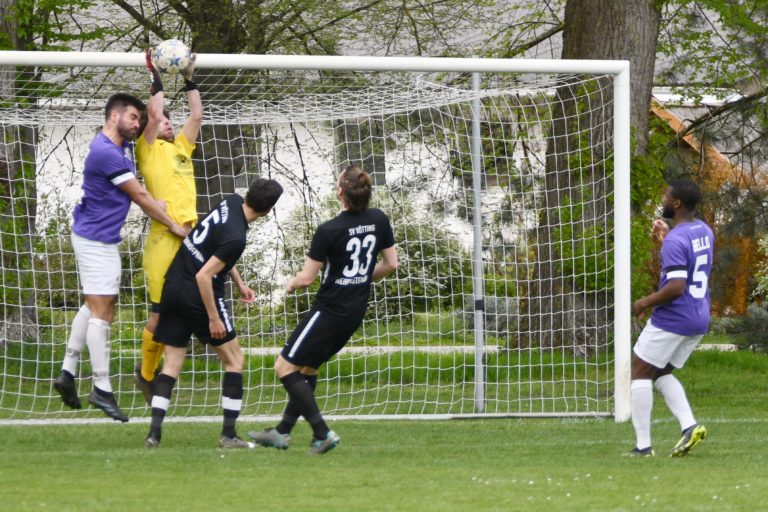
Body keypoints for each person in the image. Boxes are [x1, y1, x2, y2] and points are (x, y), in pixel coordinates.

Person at [53, 93, 190, 422]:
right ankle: (102, 389)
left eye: (138, 119)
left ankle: (67, 374)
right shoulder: (105, 153)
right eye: (131, 117)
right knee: (104, 312)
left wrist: (156, 80)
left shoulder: (124, 144)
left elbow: (155, 116)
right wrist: (171, 223)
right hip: (95, 240)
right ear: (114, 117)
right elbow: (139, 196)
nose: (137, 124)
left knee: (92, 306)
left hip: (99, 238)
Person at [248, 165, 398, 454]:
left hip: (330, 309)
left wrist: (290, 284)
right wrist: (362, 277)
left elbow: (306, 279)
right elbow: (391, 264)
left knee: (284, 367)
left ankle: (322, 433)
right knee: (308, 368)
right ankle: (282, 432)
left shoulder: (329, 230)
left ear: (340, 191)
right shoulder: (379, 219)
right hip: (354, 310)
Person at [144, 177, 283, 449]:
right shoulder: (237, 237)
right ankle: (229, 435)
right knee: (234, 361)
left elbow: (215, 252)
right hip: (198, 294)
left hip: (172, 287)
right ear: (268, 211)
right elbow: (205, 275)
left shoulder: (230, 201)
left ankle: (154, 435)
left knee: (172, 365)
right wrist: (213, 318)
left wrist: (239, 283)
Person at [132, 47, 205, 404]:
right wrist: (156, 74)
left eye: (170, 123)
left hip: (189, 238)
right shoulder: (146, 151)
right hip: (164, 238)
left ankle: (161, 372)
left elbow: (197, 114)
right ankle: (146, 374)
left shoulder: (181, 148)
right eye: (164, 122)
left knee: (181, 312)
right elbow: (155, 111)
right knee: (159, 314)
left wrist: (189, 78)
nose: (169, 124)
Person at [629, 179, 713, 457]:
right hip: (699, 316)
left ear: (676, 203)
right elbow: (689, 257)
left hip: (675, 318)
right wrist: (669, 236)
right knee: (662, 371)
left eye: (666, 196)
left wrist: (644, 302)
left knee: (640, 370)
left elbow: (676, 287)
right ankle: (690, 427)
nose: (663, 199)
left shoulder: (676, 239)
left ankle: (642, 448)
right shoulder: (703, 230)